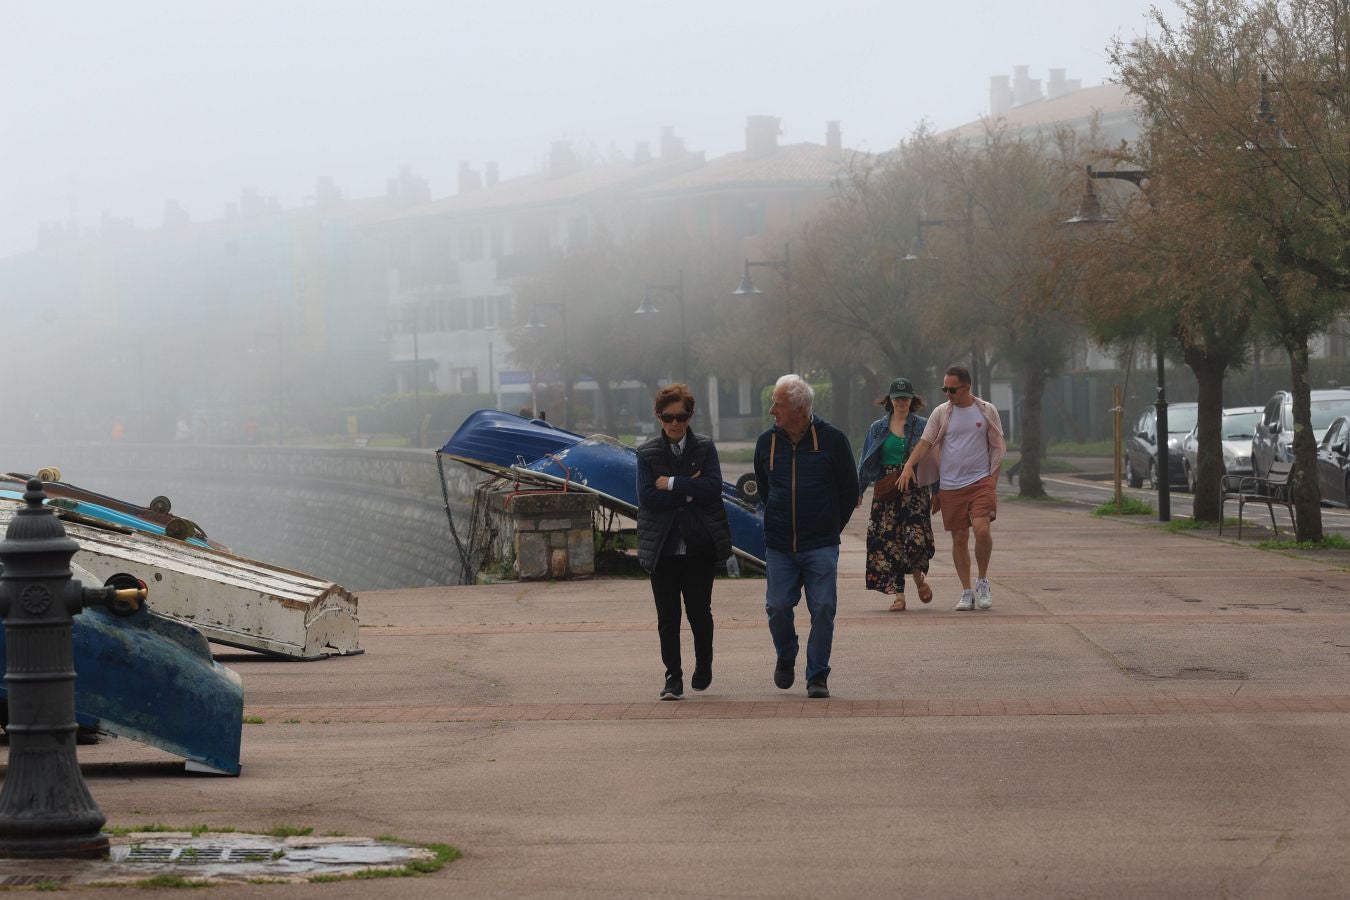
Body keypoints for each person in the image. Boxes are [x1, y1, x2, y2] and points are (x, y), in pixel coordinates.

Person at [753, 374, 859, 699]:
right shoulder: (766, 443)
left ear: (799, 409)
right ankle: (786, 654)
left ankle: (817, 676)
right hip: (780, 546)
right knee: (778, 607)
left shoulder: (833, 440)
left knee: (824, 607)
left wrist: (829, 528)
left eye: (779, 404)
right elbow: (765, 489)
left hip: (821, 545)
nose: (773, 410)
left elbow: (849, 490)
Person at [636, 384, 732, 701]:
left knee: (699, 613)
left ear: (690, 416)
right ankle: (672, 677)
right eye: (667, 417)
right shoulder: (647, 453)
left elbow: (714, 487)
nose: (674, 423)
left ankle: (703, 666)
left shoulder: (704, 447)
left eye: (681, 416)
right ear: (659, 417)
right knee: (668, 618)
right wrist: (691, 489)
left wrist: (674, 484)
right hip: (663, 548)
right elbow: (648, 497)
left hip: (697, 548)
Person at [898, 365, 1006, 611]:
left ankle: (983, 581)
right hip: (951, 485)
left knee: (981, 530)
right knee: (959, 538)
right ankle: (967, 591)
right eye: (944, 389)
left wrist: (993, 479)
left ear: (967, 387)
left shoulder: (986, 410)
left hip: (981, 481)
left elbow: (998, 445)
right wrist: (908, 466)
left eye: (952, 389)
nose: (948, 393)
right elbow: (925, 442)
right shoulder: (941, 413)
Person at [857, 377, 938, 612]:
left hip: (915, 489)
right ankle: (899, 596)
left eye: (905, 398)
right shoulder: (877, 428)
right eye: (897, 398)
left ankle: (919, 579)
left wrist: (937, 491)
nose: (901, 402)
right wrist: (859, 491)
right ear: (890, 401)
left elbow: (934, 459)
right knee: (890, 542)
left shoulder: (923, 425)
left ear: (912, 400)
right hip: (888, 489)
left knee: (914, 539)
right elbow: (864, 460)